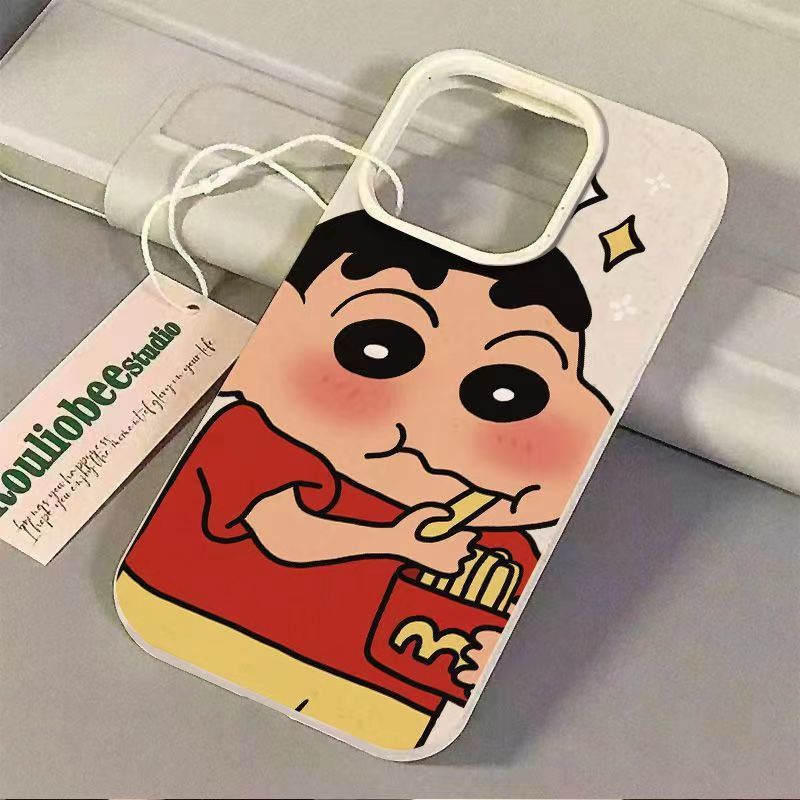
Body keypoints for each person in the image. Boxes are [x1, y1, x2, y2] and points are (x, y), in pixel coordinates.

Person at [116, 211, 612, 751]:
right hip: (201, 623)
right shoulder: (257, 439)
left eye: (507, 393)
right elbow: (283, 531)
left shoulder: (494, 538)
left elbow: (469, 634)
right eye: (377, 348)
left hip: (383, 704)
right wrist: (395, 541)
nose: (431, 419)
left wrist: (465, 650)